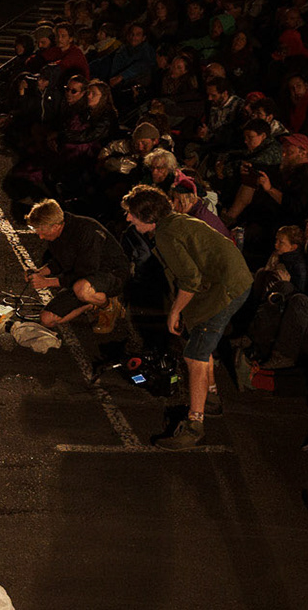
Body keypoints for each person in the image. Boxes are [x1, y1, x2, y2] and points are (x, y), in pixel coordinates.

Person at [122, 184, 254, 448]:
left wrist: (175, 311)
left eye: (132, 214)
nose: (128, 218)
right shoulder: (174, 222)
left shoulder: (166, 235)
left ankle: (195, 425)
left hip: (224, 289)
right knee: (199, 340)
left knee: (194, 355)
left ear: (148, 217)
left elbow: (190, 280)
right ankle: (212, 397)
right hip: (229, 282)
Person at [25, 199, 129, 335]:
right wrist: (39, 273)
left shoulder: (87, 231)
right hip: (82, 280)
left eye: (42, 231)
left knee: (82, 289)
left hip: (110, 274)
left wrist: (47, 282)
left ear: (56, 226)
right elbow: (60, 261)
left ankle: (108, 306)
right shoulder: (57, 233)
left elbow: (85, 272)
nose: (40, 236)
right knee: (47, 320)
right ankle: (92, 303)